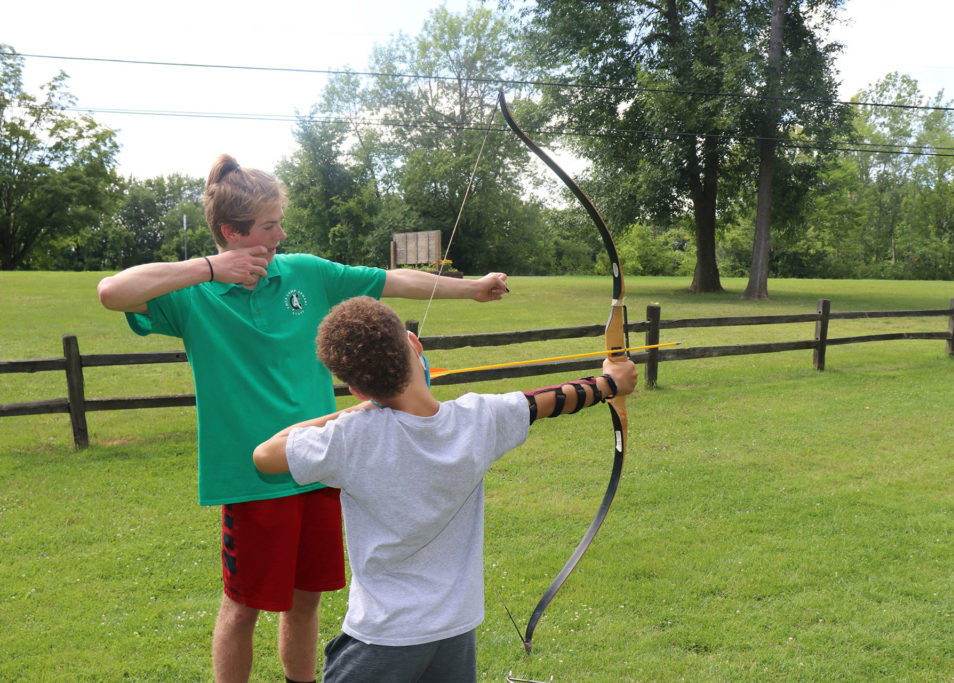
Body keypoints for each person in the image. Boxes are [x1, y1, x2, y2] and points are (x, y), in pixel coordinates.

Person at [96, 154, 509, 683]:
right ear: (232, 232)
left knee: (305, 601)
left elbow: (393, 280)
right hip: (252, 478)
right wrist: (208, 268)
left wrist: (472, 287)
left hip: (319, 465)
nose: (281, 233)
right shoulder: (192, 295)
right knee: (242, 608)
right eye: (270, 226)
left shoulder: (304, 273)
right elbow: (112, 292)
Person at [252, 296, 637, 682]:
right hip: (454, 633)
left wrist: (356, 410)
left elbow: (265, 454)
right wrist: (610, 383)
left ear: (355, 388)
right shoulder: (480, 418)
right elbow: (550, 401)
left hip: (384, 639)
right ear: (416, 346)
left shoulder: (349, 437)